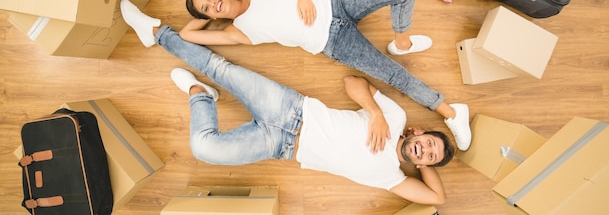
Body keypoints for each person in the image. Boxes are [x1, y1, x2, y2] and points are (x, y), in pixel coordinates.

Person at [120, 0, 472, 151]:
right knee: (393, 75)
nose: (214, 6)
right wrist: (204, 21)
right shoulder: (237, 33)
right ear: (210, 18)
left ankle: (402, 42)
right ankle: (451, 111)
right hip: (333, 42)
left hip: (335, 1)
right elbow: (187, 33)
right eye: (207, 10)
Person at [152, 25, 455, 205]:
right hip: (292, 109)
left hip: (279, 145)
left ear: (421, 164)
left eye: (429, 156)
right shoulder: (396, 117)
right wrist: (376, 113)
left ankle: (200, 95)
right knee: (221, 69)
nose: (425, 150)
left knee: (204, 149)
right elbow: (352, 83)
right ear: (418, 131)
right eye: (429, 143)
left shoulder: (394, 178)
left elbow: (438, 198)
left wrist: (426, 161)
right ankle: (158, 33)